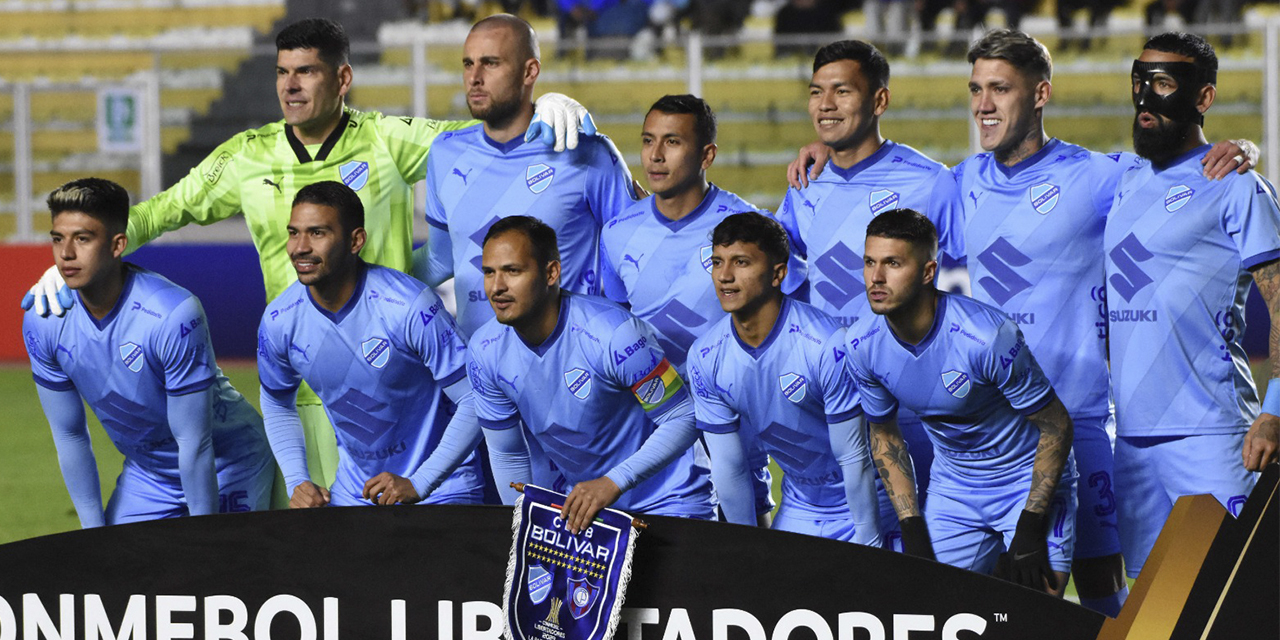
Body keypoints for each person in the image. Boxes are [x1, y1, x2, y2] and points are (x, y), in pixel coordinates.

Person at [21, 18, 591, 493]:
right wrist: (77, 256)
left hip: (406, 386)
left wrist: (551, 106)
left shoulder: (389, 140)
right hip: (309, 383)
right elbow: (159, 212)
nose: (290, 86)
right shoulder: (247, 157)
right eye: (282, 73)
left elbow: (487, 137)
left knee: (426, 547)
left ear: (342, 78)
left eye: (307, 72)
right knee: (319, 546)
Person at [1105, 32, 1280, 581]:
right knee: (1153, 605)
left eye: (1162, 84)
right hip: (1131, 441)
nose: (1145, 101)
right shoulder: (1120, 178)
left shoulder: (1237, 186)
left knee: (1235, 599)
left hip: (1212, 434)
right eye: (1139, 83)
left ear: (1202, 98)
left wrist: (1275, 413)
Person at [779, 40, 965, 537]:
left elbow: (970, 280)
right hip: (832, 399)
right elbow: (783, 273)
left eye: (842, 91)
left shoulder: (930, 182)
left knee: (924, 554)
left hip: (912, 402)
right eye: (817, 92)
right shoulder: (804, 183)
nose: (825, 104)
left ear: (879, 102)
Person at [847, 208, 1077, 596]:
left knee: (1043, 610)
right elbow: (884, 435)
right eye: (869, 262)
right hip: (955, 487)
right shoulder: (861, 344)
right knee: (928, 609)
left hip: (1024, 479)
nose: (876, 278)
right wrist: (912, 529)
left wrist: (1031, 522)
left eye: (892, 263)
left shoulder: (986, 336)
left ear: (927, 271)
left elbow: (1056, 425)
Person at [22, 178, 273, 526]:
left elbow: (195, 442)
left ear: (117, 244)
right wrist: (92, 533)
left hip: (226, 461)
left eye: (82, 238)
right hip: (148, 474)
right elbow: (70, 434)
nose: (66, 254)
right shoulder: (44, 319)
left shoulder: (171, 314)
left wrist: (207, 537)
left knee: (217, 574)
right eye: (57, 239)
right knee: (111, 573)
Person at [599, 94, 783, 525]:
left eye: (672, 142)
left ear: (707, 155)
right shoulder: (618, 232)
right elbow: (614, 327)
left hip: (735, 432)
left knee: (744, 562)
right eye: (648, 141)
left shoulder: (747, 224)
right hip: (655, 437)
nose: (655, 155)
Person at [468, 216, 714, 532]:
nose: (497, 287)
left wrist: (612, 482)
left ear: (551, 273)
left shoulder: (614, 334)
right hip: (591, 512)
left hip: (671, 501)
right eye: (489, 272)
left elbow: (683, 416)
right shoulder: (484, 350)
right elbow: (508, 453)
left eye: (513, 271)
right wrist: (522, 523)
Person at [256, 182, 485, 508]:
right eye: (294, 233)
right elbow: (277, 402)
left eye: (317, 233)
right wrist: (297, 481)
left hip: (443, 491)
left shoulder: (408, 305)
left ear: (355, 241)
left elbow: (477, 399)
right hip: (358, 495)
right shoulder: (280, 320)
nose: (300, 247)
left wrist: (419, 483)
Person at [419, 13, 636, 340]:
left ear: (530, 71)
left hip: (573, 367)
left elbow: (635, 256)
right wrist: (360, 276)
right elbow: (438, 259)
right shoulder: (445, 153)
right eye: (468, 64)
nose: (474, 77)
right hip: (481, 372)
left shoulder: (587, 152)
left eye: (490, 63)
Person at [687, 212, 880, 545]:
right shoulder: (705, 356)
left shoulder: (826, 344)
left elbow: (855, 457)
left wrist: (870, 542)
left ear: (778, 273)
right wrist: (748, 550)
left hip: (867, 499)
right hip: (801, 504)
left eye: (741, 262)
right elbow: (730, 467)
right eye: (718, 262)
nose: (725, 277)